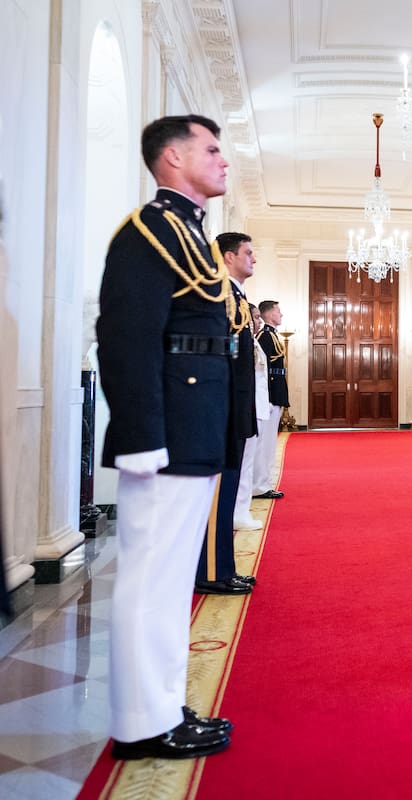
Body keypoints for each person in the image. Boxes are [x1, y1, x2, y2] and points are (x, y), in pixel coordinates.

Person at [96, 114, 235, 760]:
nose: (223, 160)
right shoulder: (146, 232)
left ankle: (160, 706)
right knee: (151, 578)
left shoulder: (187, 232)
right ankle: (140, 723)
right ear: (173, 158)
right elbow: (126, 338)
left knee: (171, 579)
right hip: (166, 433)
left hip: (192, 426)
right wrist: (142, 437)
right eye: (211, 149)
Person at [195, 232, 259, 596]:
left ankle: (224, 567)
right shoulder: (222, 295)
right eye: (248, 253)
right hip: (223, 411)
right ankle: (212, 571)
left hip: (234, 409)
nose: (253, 259)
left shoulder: (236, 295)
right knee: (219, 495)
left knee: (228, 490)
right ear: (228, 256)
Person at [233, 304, 269, 531]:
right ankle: (239, 512)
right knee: (244, 465)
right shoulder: (244, 340)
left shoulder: (253, 341)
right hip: (248, 409)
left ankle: (241, 510)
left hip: (257, 408)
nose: (259, 322)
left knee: (248, 462)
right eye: (255, 317)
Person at [252, 300, 287, 500]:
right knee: (264, 444)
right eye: (278, 311)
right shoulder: (265, 336)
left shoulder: (271, 335)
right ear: (268, 314)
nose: (281, 315)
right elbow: (263, 371)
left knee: (269, 443)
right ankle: (260, 485)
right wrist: (272, 397)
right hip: (270, 395)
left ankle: (263, 483)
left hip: (275, 393)